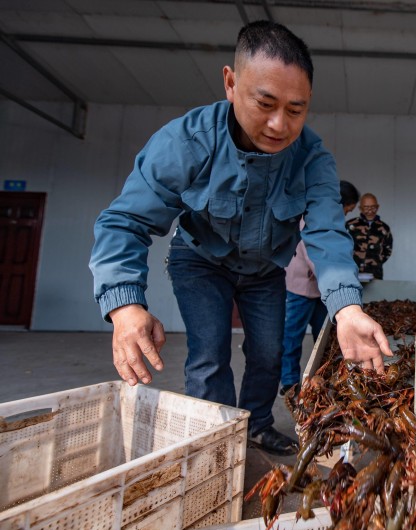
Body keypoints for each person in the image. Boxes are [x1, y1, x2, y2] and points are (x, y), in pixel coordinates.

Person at [89, 20, 391, 457]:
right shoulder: (186, 143)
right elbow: (125, 220)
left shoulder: (313, 159)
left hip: (267, 268)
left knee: (269, 354)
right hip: (200, 263)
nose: (278, 124)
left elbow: (327, 231)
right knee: (209, 354)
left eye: (295, 109)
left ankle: (257, 425)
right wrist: (124, 304)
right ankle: (213, 444)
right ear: (231, 83)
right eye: (265, 102)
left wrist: (346, 307)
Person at [280, 180, 360, 396]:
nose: (346, 214)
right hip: (300, 288)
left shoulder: (332, 220)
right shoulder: (312, 216)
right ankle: (289, 384)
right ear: (339, 203)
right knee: (291, 337)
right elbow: (316, 256)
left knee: (325, 337)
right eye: (347, 209)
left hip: (321, 291)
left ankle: (323, 378)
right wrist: (343, 285)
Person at [346, 193, 393, 279]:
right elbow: (343, 247)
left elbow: (388, 250)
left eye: (373, 207)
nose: (370, 211)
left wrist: (377, 261)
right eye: (366, 207)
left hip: (375, 273)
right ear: (360, 208)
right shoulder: (350, 225)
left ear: (378, 207)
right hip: (352, 272)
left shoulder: (384, 228)